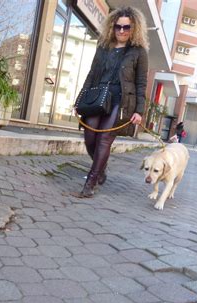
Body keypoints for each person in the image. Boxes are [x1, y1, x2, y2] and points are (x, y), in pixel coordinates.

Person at [74, 6, 149, 198]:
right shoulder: (103, 47)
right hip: (97, 96)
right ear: (112, 27)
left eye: (127, 27)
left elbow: (141, 83)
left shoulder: (139, 52)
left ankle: (91, 180)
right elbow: (91, 74)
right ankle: (101, 167)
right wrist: (79, 100)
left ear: (135, 29)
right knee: (90, 137)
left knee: (104, 139)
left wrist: (139, 111)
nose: (122, 31)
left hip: (121, 101)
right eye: (118, 27)